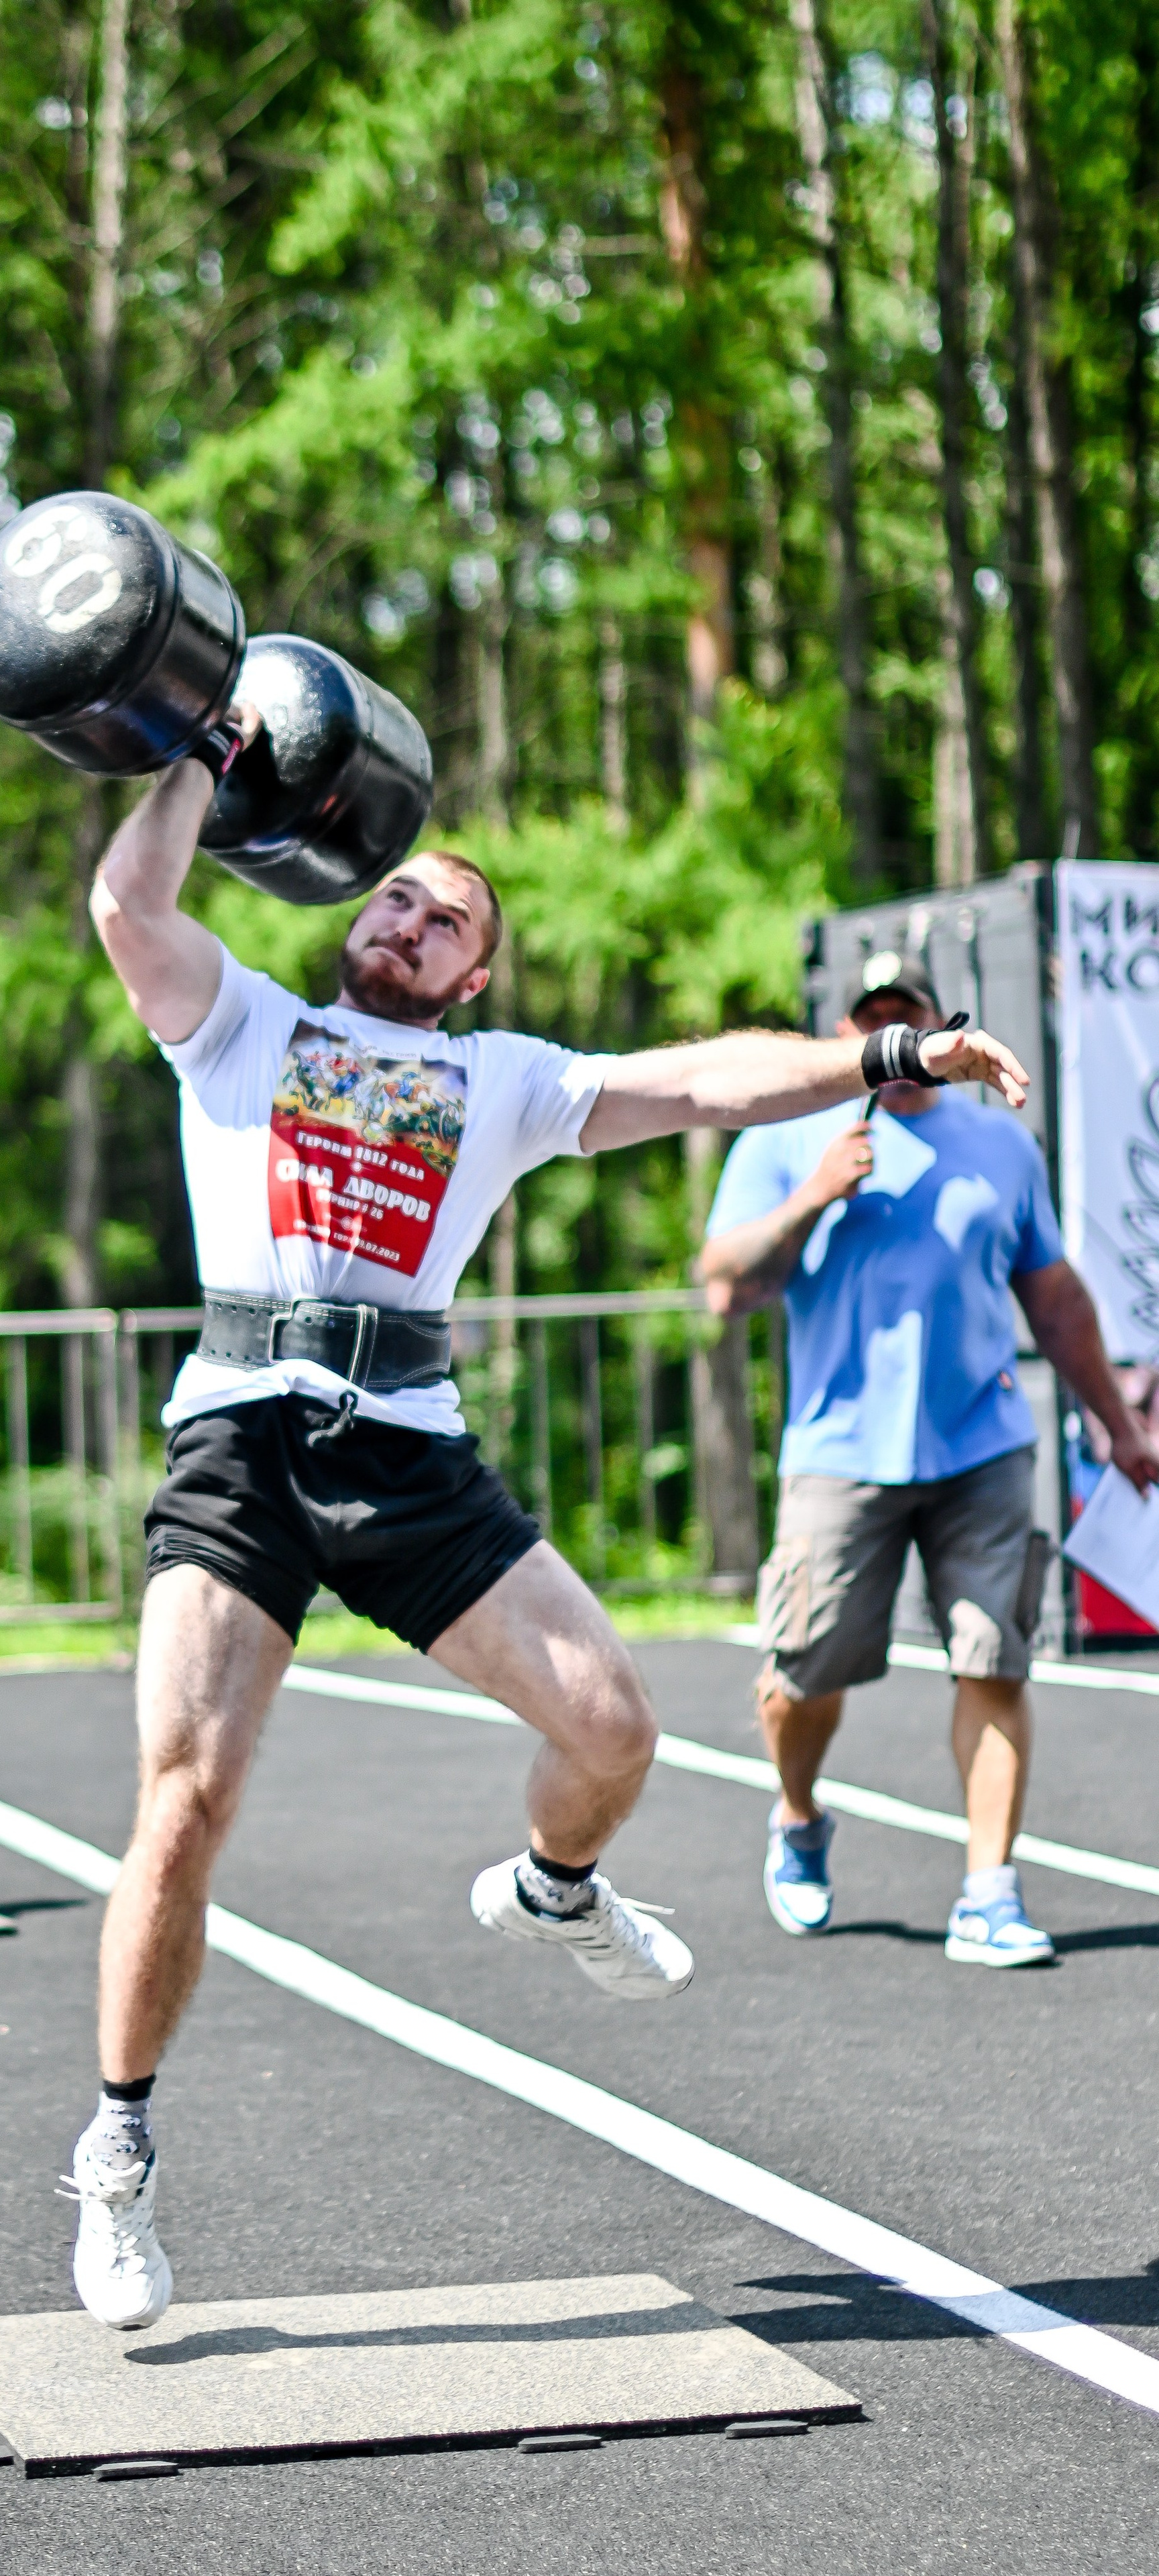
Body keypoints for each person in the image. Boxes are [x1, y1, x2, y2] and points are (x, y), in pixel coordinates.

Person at [63, 729, 1032, 2331]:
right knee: (185, 1796)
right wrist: (182, 755)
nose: (406, 924)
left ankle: (555, 1886)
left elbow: (701, 1077)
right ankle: (116, 2149)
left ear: (470, 978)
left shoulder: (495, 1078)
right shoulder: (240, 1021)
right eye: (392, 903)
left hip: (409, 1450)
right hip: (241, 1433)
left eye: (444, 923)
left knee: (615, 1734)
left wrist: (890, 1057)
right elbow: (122, 902)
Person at [700, 948, 1159, 1966]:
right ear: (847, 1035)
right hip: (840, 1450)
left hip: (983, 1445)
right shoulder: (788, 1135)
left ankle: (988, 1892)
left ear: (944, 1030)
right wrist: (813, 1194)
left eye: (910, 1015)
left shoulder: (1001, 1146)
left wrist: (1119, 1429)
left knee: (992, 1659)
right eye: (873, 1019)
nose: (894, 1039)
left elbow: (1055, 1296)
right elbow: (724, 1285)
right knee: (805, 1672)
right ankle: (799, 1814)